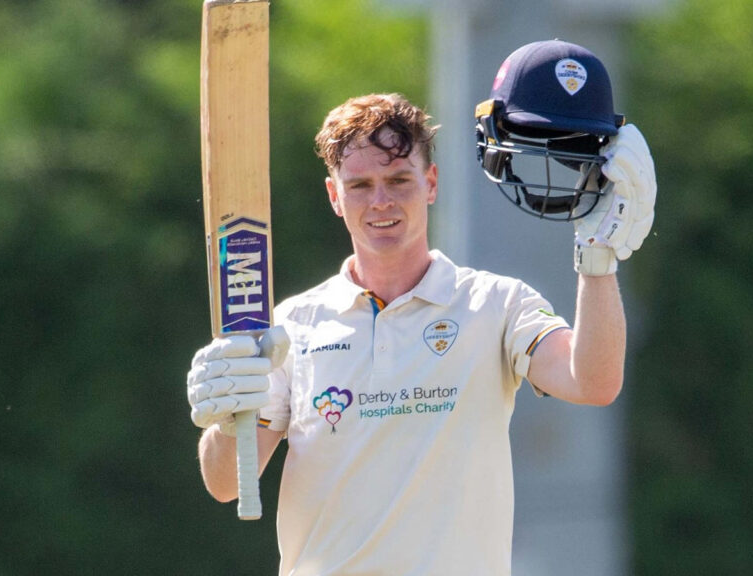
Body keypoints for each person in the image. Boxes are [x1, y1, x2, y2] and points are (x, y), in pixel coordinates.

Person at [187, 39, 655, 576]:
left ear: (430, 184)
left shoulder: (495, 304)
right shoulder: (293, 325)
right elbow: (225, 484)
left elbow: (594, 381)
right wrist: (226, 417)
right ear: (334, 197)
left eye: (398, 180)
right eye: (360, 185)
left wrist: (598, 259)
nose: (381, 201)